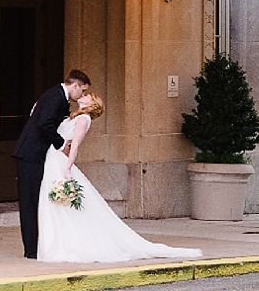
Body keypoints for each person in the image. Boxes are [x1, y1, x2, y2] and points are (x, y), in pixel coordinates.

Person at [38, 94, 202, 264]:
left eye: (88, 96)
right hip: (53, 159)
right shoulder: (75, 116)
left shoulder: (84, 119)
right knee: (55, 203)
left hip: (60, 161)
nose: (83, 95)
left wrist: (68, 167)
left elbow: (76, 144)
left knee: (63, 202)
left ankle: (69, 243)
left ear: (93, 103)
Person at [13, 70, 89, 259]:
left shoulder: (58, 97)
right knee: (29, 202)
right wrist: (61, 143)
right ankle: (31, 249)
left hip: (36, 155)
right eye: (83, 90)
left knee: (35, 200)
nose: (81, 95)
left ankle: (36, 245)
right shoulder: (55, 97)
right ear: (75, 85)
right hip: (30, 154)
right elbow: (44, 123)